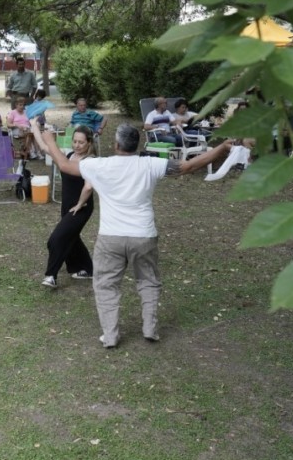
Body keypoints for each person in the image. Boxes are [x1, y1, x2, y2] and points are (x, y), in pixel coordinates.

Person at [35, 124, 232, 348]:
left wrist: (50, 139)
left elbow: (64, 165)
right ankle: (150, 329)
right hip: (143, 236)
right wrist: (222, 148)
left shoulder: (99, 165)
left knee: (106, 285)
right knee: (148, 282)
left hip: (111, 237)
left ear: (116, 145)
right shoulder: (150, 163)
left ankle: (110, 336)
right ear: (136, 144)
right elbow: (188, 166)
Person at [40, 126, 96, 288]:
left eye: (81, 142)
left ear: (89, 143)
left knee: (56, 239)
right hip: (67, 206)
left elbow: (88, 187)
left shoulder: (90, 161)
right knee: (72, 237)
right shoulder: (70, 156)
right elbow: (46, 147)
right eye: (75, 141)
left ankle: (51, 275)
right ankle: (86, 268)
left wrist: (79, 204)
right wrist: (35, 126)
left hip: (81, 208)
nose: (77, 145)